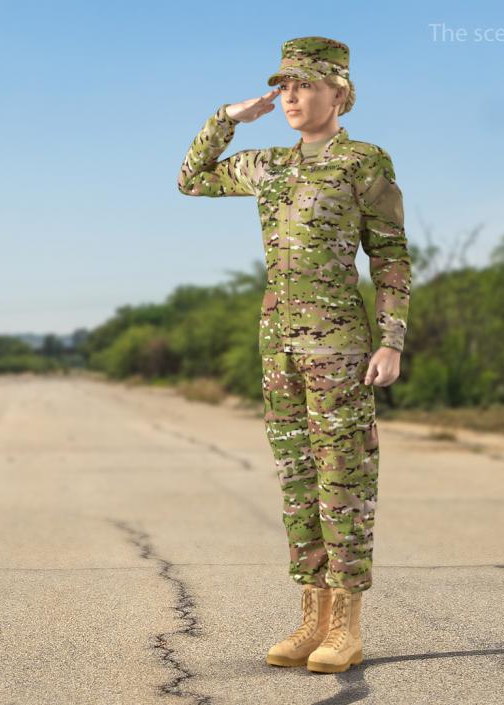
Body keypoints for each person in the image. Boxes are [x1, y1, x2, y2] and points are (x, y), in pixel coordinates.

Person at [177, 36, 410, 674]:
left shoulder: (363, 160)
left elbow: (390, 256)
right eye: (283, 86)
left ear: (340, 94)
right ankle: (311, 620)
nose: (291, 97)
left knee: (345, 482)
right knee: (297, 484)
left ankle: (348, 627)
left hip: (338, 345)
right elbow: (190, 180)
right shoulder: (270, 165)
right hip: (277, 345)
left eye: (304, 85)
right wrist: (228, 117)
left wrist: (391, 340)